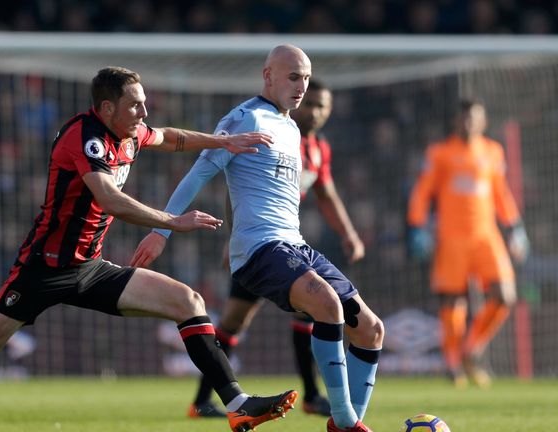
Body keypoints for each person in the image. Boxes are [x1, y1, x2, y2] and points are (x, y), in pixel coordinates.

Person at [0, 66, 298, 432]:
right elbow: (111, 201)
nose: (144, 111)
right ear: (107, 108)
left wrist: (222, 141)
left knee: (188, 301)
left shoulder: (131, 132)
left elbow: (170, 137)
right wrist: (171, 222)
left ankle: (237, 404)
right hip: (41, 270)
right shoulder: (84, 137)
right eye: (135, 105)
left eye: (144, 102)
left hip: (89, 268)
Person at [131, 45, 383, 432]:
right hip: (259, 249)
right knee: (324, 304)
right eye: (293, 76)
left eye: (306, 78)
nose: (301, 86)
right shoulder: (244, 118)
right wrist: (161, 229)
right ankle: (346, 421)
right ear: (268, 76)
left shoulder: (293, 128)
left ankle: (343, 423)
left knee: (370, 329)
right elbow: (198, 174)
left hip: (295, 245)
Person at [182, 79, 365, 419]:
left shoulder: (318, 149)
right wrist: (232, 237)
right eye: (309, 103)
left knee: (312, 311)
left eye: (322, 106)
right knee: (236, 320)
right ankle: (203, 400)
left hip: (289, 243)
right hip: (257, 244)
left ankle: (312, 395)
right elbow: (234, 185)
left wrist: (348, 233)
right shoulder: (272, 131)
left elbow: (326, 193)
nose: (314, 111)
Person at [407, 98, 529, 388]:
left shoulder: (492, 151)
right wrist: (417, 225)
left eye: (473, 118)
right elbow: (423, 191)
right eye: (463, 119)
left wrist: (514, 227)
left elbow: (500, 192)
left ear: (483, 122)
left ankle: (470, 349)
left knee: (505, 295)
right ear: (455, 122)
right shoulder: (440, 153)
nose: (468, 123)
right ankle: (453, 363)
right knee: (452, 300)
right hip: (451, 237)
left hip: (486, 235)